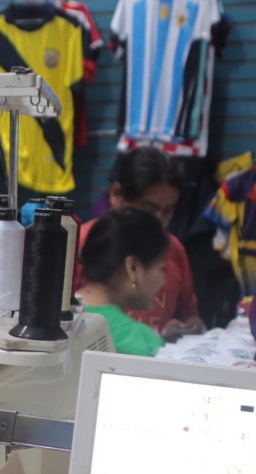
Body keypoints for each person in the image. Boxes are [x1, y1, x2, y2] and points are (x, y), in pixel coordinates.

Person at [76, 147, 204, 340]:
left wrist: (183, 328)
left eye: (168, 210)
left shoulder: (174, 249)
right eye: (148, 208)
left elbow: (191, 316)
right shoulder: (79, 245)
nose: (159, 220)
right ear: (116, 195)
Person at [77, 207, 170, 356]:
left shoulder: (59, 316)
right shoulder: (140, 343)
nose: (164, 280)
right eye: (162, 268)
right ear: (133, 267)